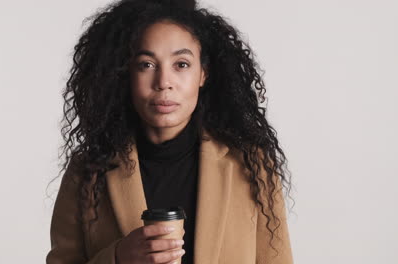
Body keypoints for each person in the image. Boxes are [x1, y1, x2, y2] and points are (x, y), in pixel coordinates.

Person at [46, 0, 294, 263]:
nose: (164, 82)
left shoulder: (252, 164)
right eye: (146, 64)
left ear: (203, 74)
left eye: (182, 64)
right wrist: (117, 258)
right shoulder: (88, 170)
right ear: (126, 74)